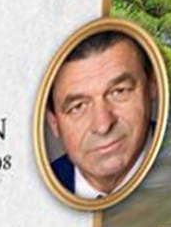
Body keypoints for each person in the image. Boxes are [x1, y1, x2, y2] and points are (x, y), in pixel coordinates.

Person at [46, 29, 157, 200]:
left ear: (152, 86)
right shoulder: (33, 193)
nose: (103, 125)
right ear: (54, 122)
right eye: (78, 107)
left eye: (119, 91)